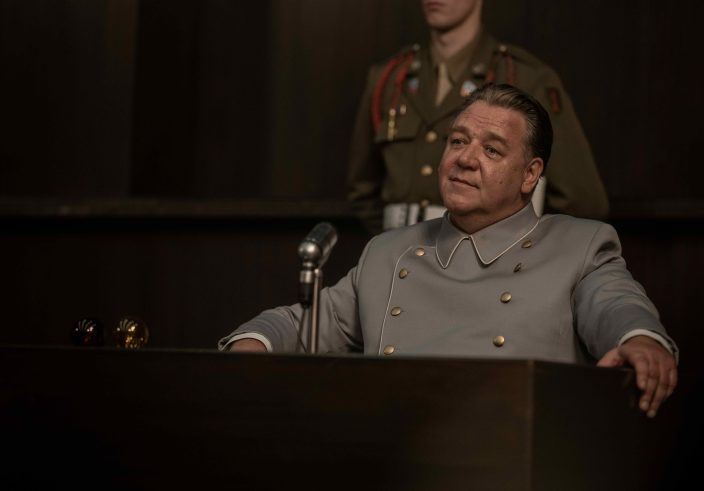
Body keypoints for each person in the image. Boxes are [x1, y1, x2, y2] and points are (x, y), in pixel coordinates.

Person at [220, 83, 678, 418]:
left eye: (492, 150)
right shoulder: (389, 252)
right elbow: (308, 323)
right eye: (458, 141)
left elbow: (616, 304)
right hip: (390, 454)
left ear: (530, 175)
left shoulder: (578, 245)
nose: (465, 158)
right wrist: (253, 343)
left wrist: (640, 340)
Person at [347, 0, 610, 235]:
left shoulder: (524, 77)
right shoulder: (390, 78)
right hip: (399, 255)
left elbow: (581, 201)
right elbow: (363, 190)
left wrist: (522, 255)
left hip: (490, 262)